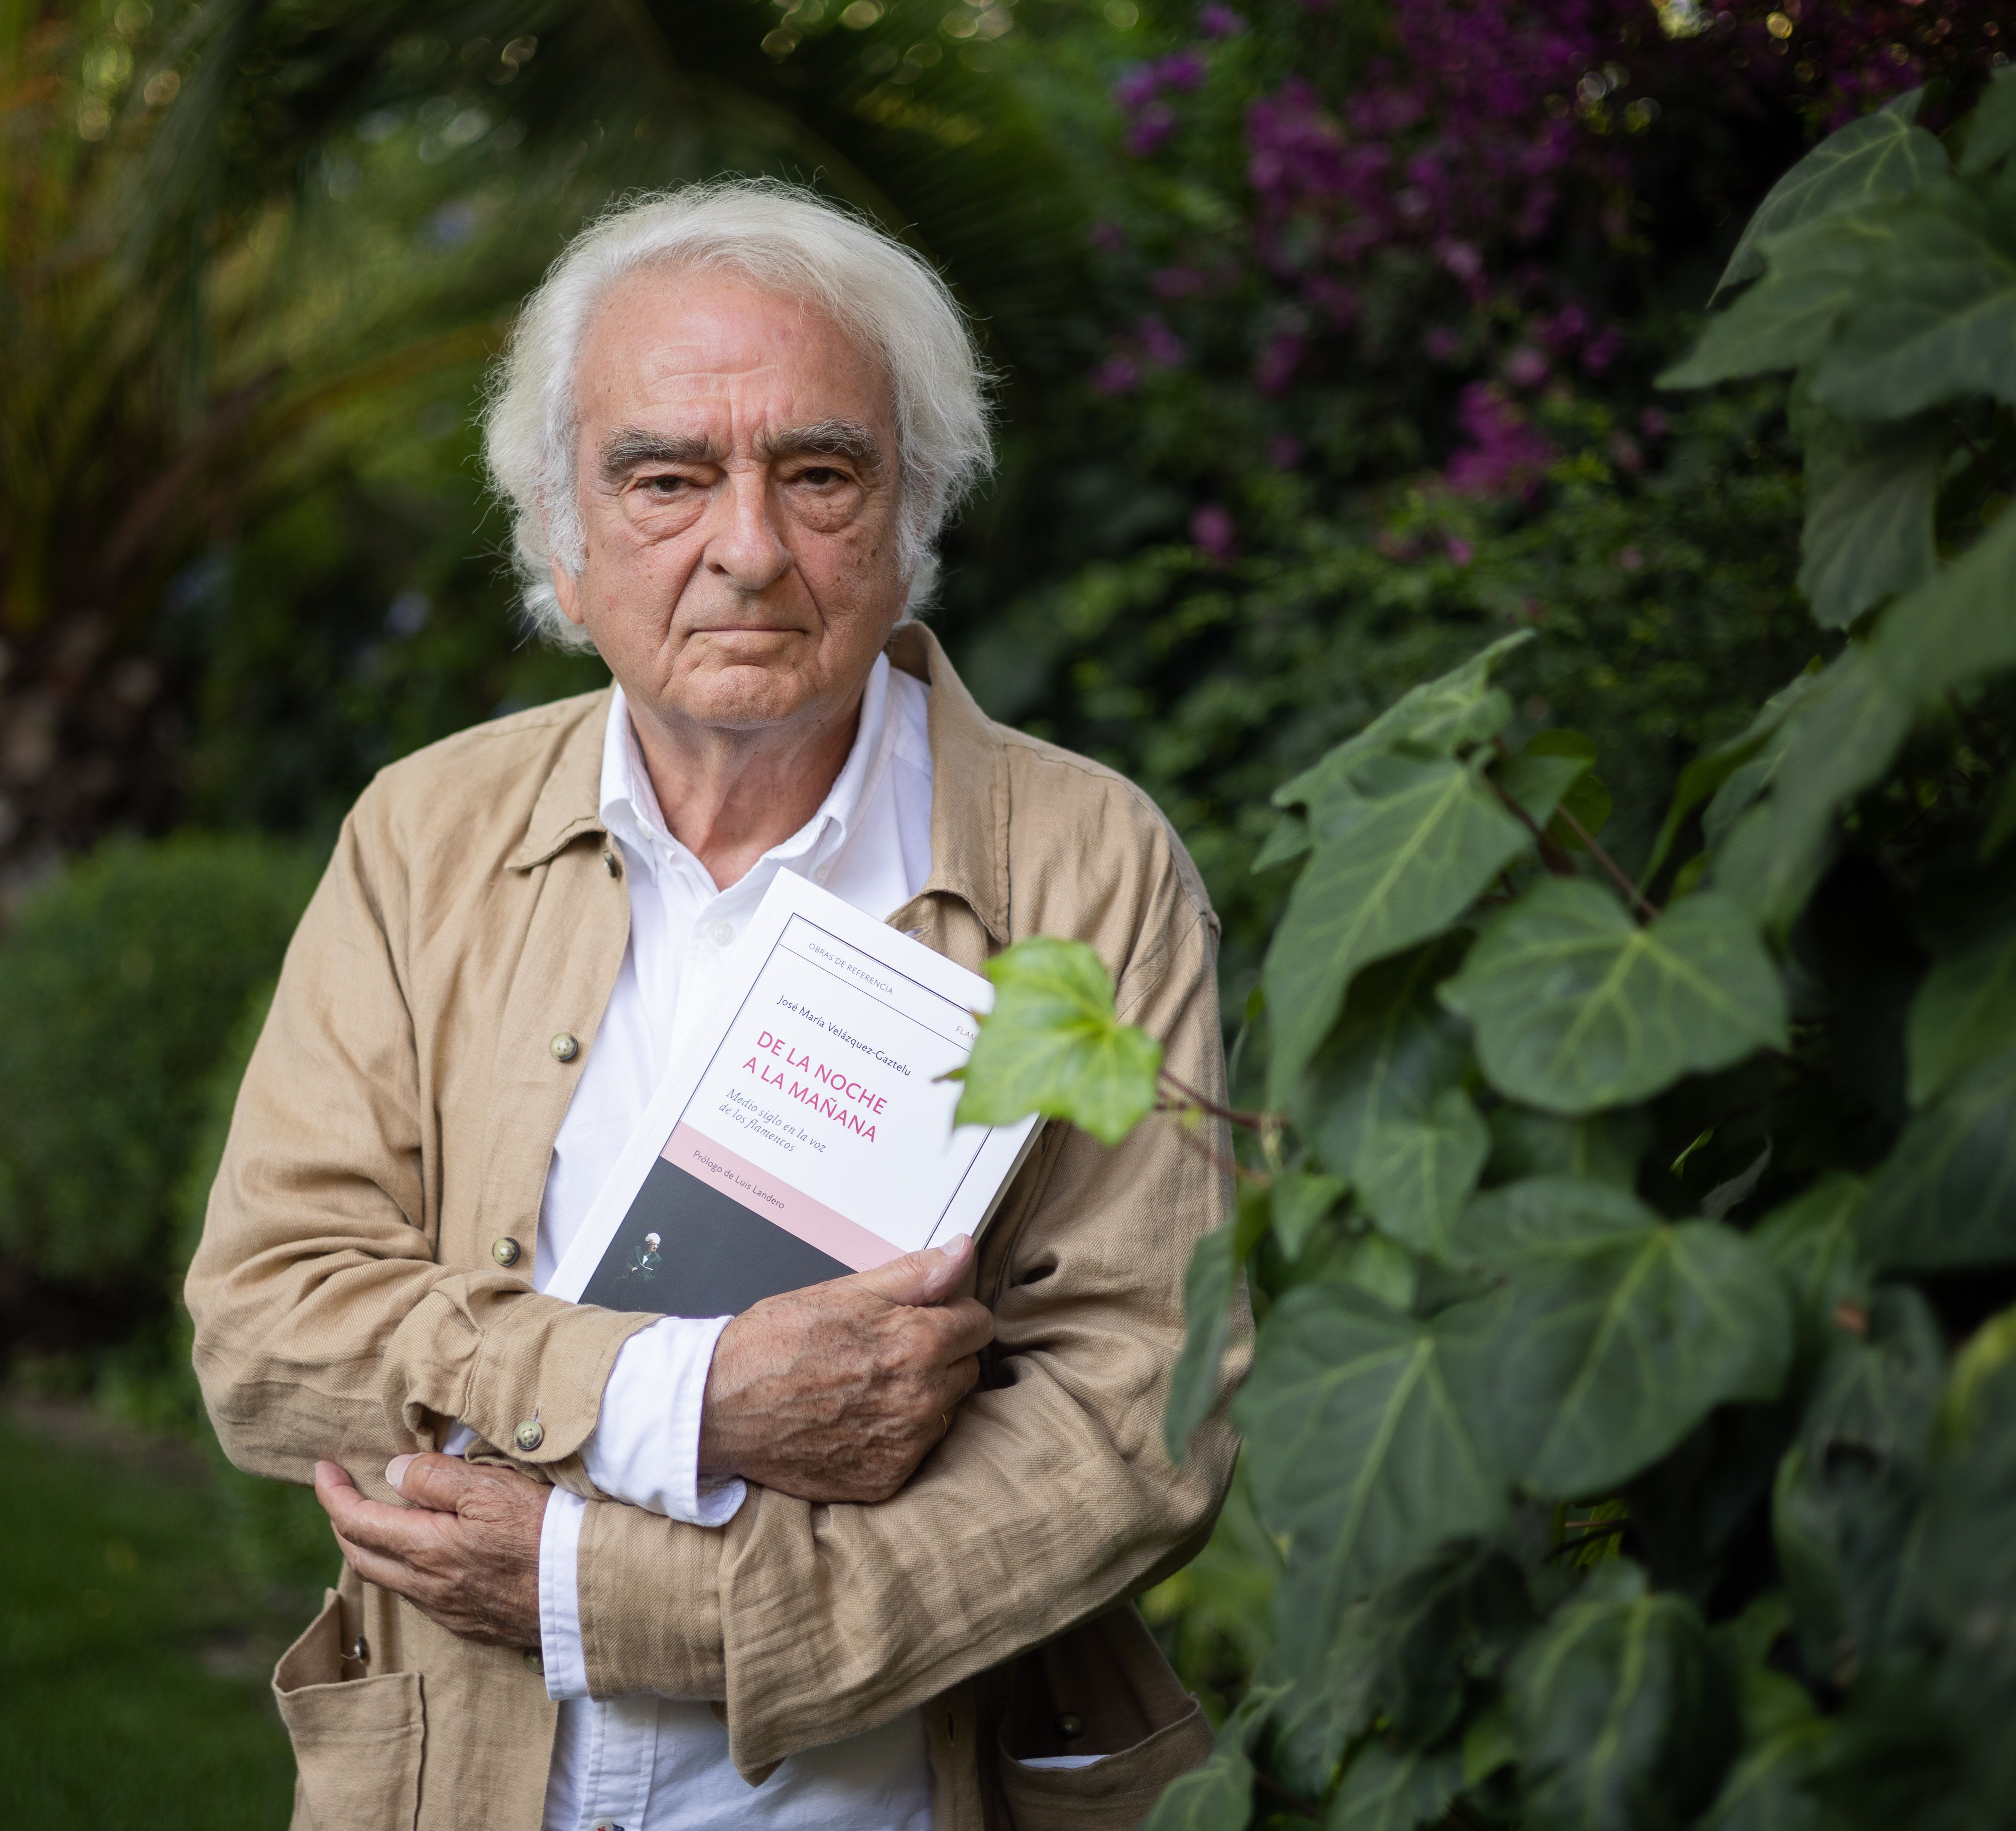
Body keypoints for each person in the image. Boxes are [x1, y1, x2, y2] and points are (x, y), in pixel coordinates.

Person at [187, 179, 1250, 1831]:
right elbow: (266, 1326)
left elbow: (1139, 1420)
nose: (746, 548)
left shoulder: (1086, 863)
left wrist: (625, 1599)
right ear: (562, 532)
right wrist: (685, 1398)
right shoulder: (424, 832)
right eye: (667, 477)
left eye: (819, 475)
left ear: (910, 518)